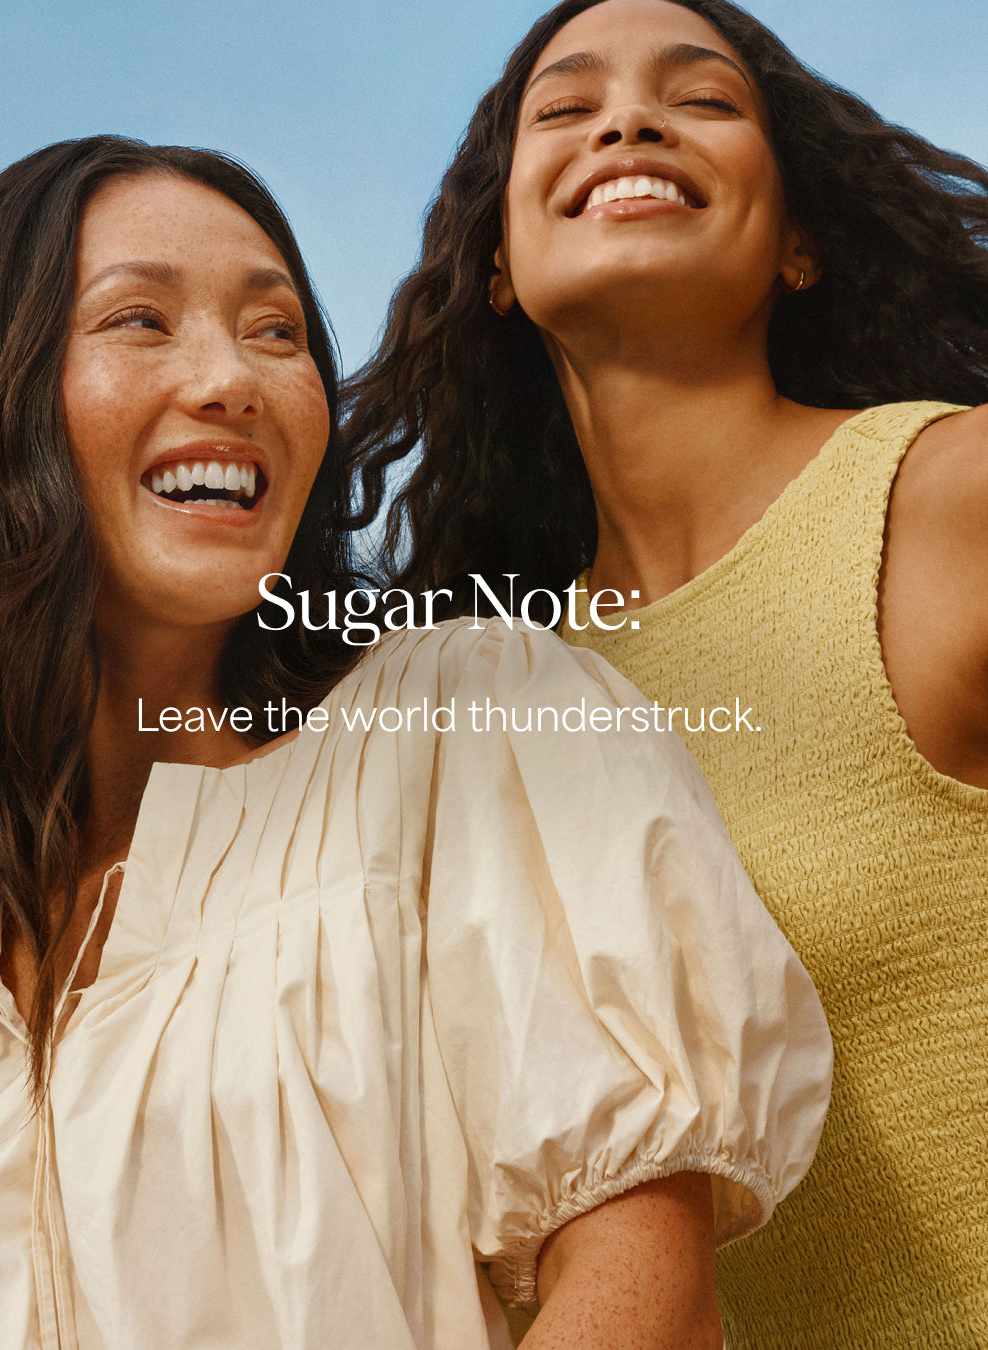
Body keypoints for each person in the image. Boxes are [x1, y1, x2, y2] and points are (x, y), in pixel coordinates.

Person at [0, 135, 830, 1350]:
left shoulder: (469, 719)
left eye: (278, 332)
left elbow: (638, 1282)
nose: (231, 377)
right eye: (139, 320)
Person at [342, 0, 988, 1345]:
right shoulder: (501, 702)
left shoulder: (949, 500)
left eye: (701, 97)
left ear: (801, 238)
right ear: (498, 266)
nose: (627, 120)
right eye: (565, 110)